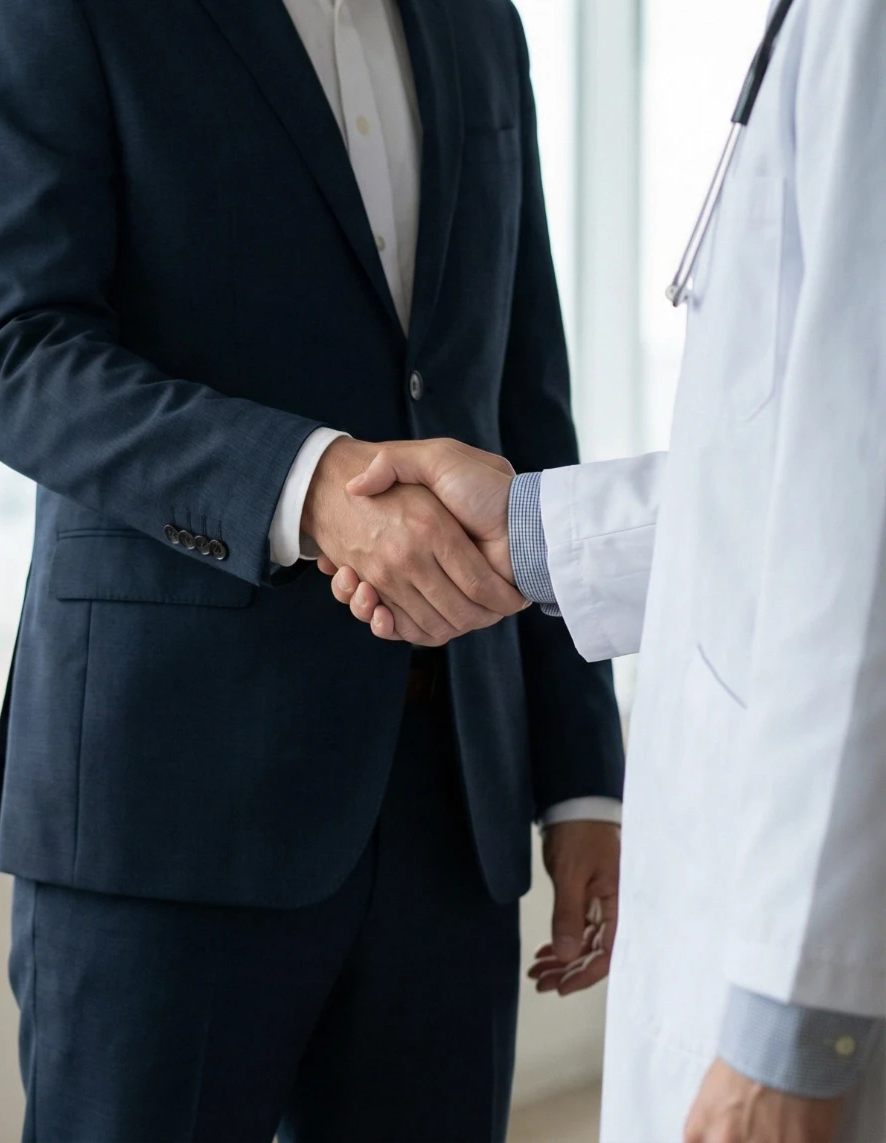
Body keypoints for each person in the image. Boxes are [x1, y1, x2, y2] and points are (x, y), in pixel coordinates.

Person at [0, 0, 623, 1137]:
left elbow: (522, 402)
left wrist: (578, 776)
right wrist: (304, 489)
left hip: (450, 796)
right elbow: (18, 350)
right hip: (165, 795)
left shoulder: (477, 25)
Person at [320, 2, 886, 1138]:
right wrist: (526, 533)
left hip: (780, 948)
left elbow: (854, 525)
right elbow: (785, 485)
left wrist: (791, 1027)